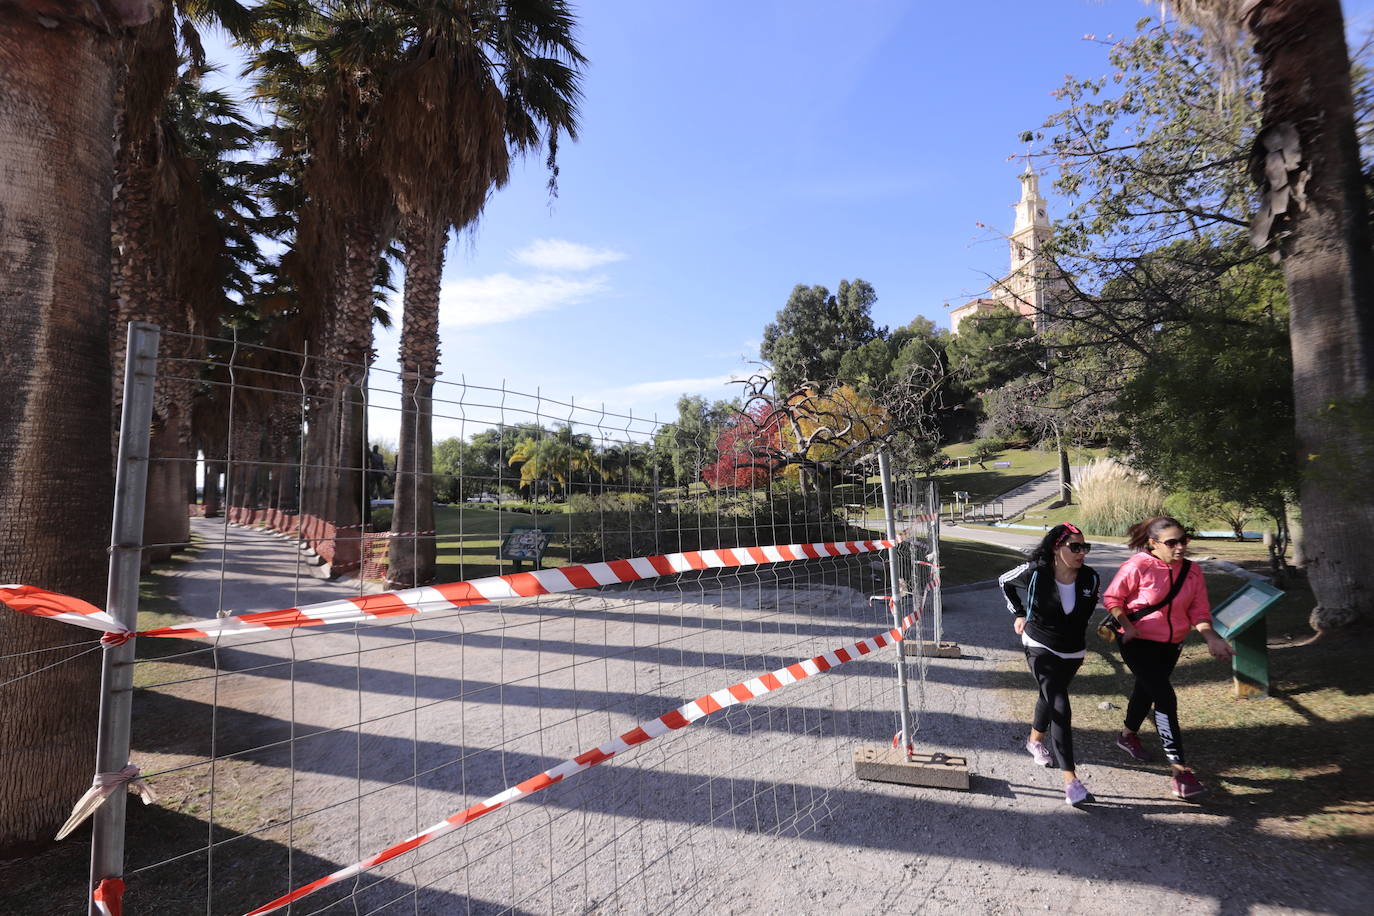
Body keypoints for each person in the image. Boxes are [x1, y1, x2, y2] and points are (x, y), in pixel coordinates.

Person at [1103, 515, 1235, 800]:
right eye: (1172, 542)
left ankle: (1126, 737)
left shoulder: (1193, 571)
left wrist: (1211, 637)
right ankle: (1181, 773)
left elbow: (1199, 612)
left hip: (1171, 645)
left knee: (1147, 689)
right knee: (1164, 697)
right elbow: (1113, 599)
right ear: (1153, 544)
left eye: (1184, 540)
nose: (1180, 547)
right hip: (1137, 642)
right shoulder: (1138, 565)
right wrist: (1127, 625)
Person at [999, 522, 1100, 807]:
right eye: (1075, 547)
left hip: (1073, 652)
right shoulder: (1036, 572)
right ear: (1057, 547)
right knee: (1059, 703)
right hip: (1039, 646)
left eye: (1085, 547)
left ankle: (1034, 741)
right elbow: (1004, 582)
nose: (1082, 553)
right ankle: (1072, 782)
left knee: (1049, 695)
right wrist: (1020, 613)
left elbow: (1087, 610)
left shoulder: (1091, 578)